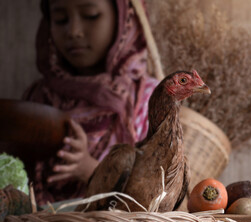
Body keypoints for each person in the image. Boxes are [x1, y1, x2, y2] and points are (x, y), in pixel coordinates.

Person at [22, 0, 158, 205]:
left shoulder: (147, 98)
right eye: (60, 19)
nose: (74, 31)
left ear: (124, 20)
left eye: (91, 15)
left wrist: (89, 169)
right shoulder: (37, 97)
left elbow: (152, 193)